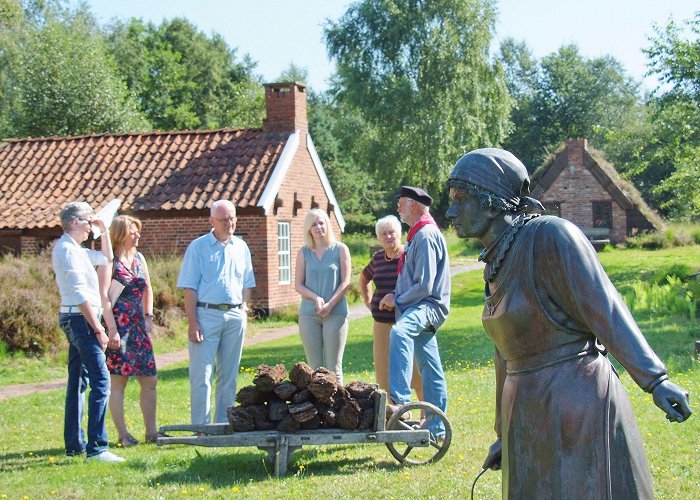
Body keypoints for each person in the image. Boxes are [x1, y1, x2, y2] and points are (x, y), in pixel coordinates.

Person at [445, 148, 692, 498]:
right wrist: (505, 433)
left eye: (460, 199)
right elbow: (507, 352)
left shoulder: (550, 237)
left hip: (574, 400)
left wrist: (655, 380)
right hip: (527, 409)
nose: (451, 211)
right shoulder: (495, 263)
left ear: (490, 202)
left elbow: (604, 307)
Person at [52, 201, 125, 463]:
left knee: (78, 382)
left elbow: (106, 259)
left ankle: (75, 444)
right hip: (80, 319)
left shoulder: (78, 250)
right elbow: (81, 295)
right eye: (87, 221)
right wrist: (98, 328)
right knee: (101, 381)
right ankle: (97, 447)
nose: (89, 225)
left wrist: (103, 231)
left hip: (79, 318)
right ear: (74, 222)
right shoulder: (67, 251)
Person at [177, 200, 256, 425]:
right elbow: (189, 288)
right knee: (202, 375)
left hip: (234, 316)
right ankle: (201, 427)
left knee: (229, 375)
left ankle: (223, 423)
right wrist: (193, 322)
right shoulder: (198, 247)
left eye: (232, 218)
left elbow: (247, 283)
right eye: (224, 220)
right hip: (206, 314)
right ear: (212, 221)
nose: (229, 223)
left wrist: (243, 310)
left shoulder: (241, 247)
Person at [382, 187, 450, 438]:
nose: (397, 208)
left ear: (412, 205)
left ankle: (400, 400)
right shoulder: (418, 234)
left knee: (400, 333)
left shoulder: (425, 235)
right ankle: (436, 427)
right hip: (418, 307)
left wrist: (396, 298)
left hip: (428, 306)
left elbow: (425, 285)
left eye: (400, 204)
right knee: (431, 368)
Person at [103, 215, 163, 446]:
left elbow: (148, 289)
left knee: (150, 380)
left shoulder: (139, 258)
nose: (137, 235)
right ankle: (123, 434)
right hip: (118, 327)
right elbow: (105, 298)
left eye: (138, 231)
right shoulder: (110, 262)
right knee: (119, 382)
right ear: (120, 234)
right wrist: (111, 330)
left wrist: (148, 316)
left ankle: (151, 431)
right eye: (132, 231)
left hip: (138, 326)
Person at [359, 215, 423, 400]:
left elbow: (417, 284)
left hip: (405, 320)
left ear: (399, 234)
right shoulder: (378, 258)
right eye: (383, 233)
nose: (388, 236)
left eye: (391, 232)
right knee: (384, 368)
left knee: (414, 367)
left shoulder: (408, 255)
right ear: (379, 238)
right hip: (381, 322)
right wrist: (368, 300)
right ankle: (395, 412)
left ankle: (424, 412)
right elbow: (363, 279)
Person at [294, 208, 351, 384]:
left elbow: (345, 282)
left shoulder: (340, 249)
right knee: (314, 368)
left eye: (321, 223)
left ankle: (338, 408)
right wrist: (317, 298)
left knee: (334, 368)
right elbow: (298, 285)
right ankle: (317, 410)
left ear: (327, 225)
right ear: (308, 229)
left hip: (336, 314)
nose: (318, 227)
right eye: (314, 224)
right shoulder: (304, 253)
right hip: (309, 315)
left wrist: (330, 304)